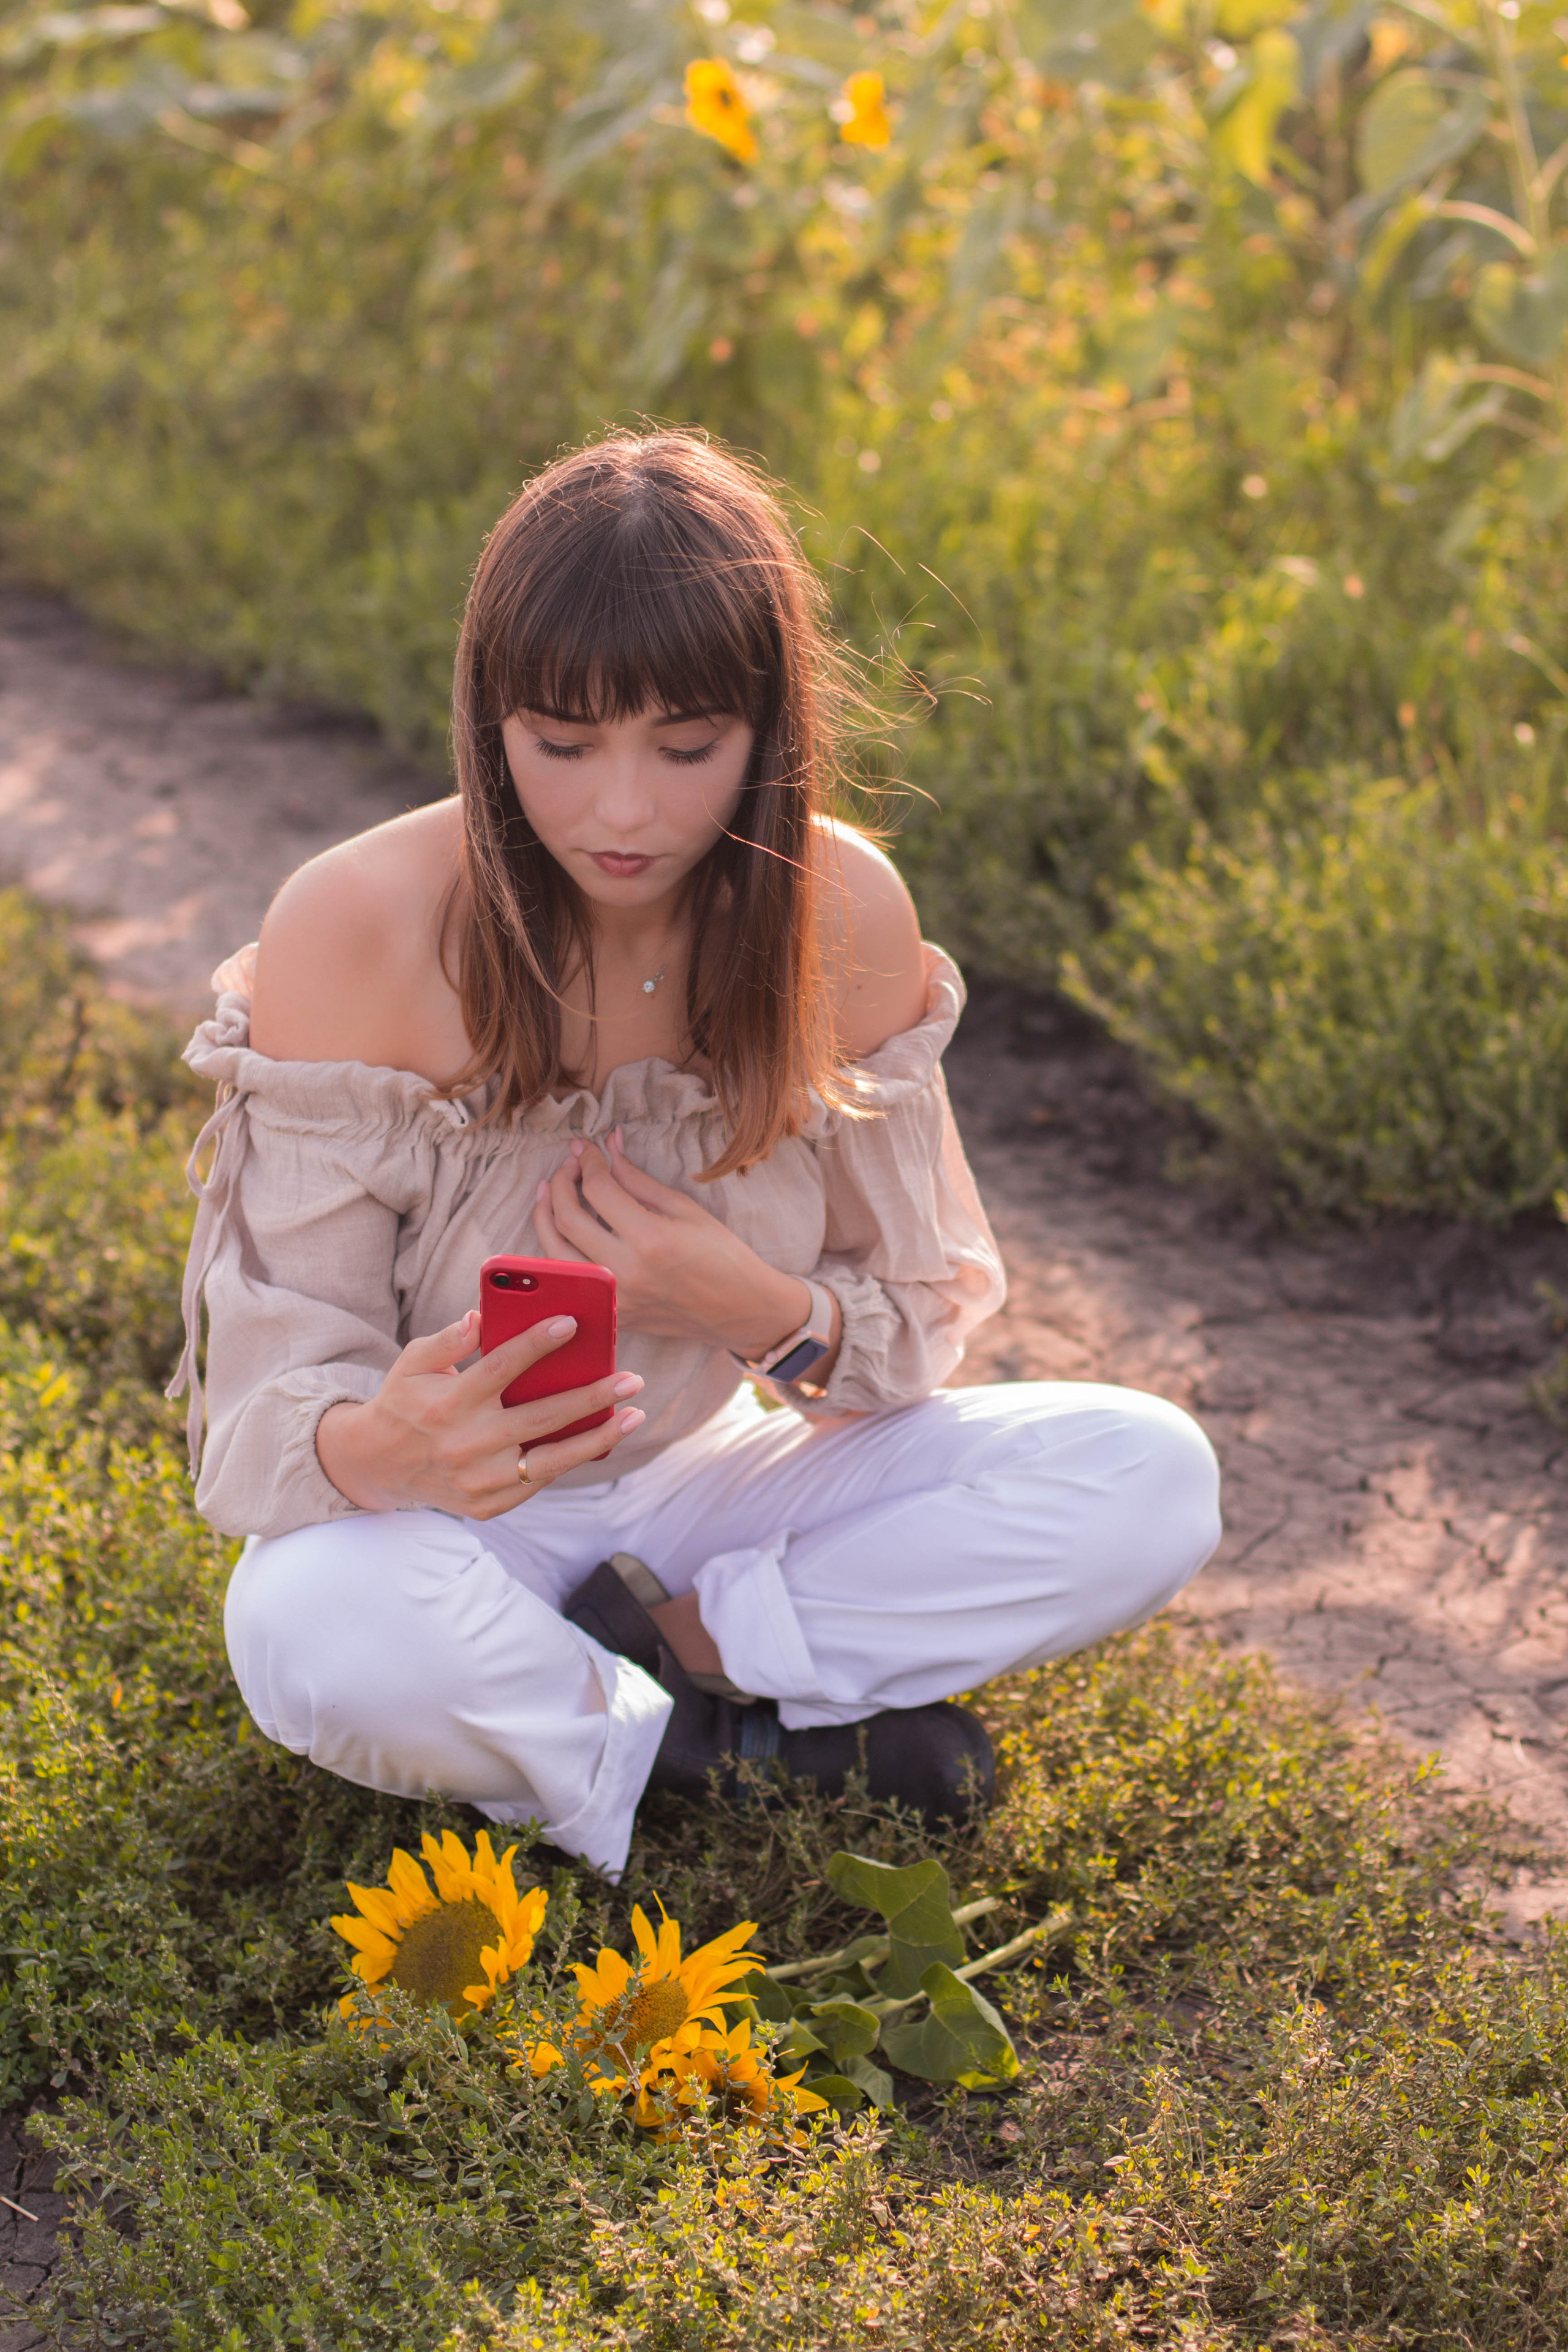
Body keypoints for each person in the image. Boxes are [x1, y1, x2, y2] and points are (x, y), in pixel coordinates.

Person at [171, 430, 1221, 1879]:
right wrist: (382, 1442)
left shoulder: (838, 911)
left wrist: (748, 1308)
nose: (621, 812)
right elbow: (261, 1408)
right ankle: (710, 1756)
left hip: (709, 1490)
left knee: (1147, 1474)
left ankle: (661, 1661)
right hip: (455, 1516)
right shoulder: (355, 926)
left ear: (768, 731)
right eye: (562, 745)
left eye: (685, 750)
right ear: (488, 723)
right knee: (307, 1626)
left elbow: (908, 1335)